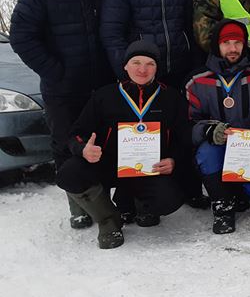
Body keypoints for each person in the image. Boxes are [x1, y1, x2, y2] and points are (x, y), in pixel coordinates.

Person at [9, 0, 112, 229]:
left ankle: (105, 203)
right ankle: (78, 205)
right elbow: (21, 36)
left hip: (101, 83)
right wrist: (54, 71)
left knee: (101, 142)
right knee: (66, 144)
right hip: (62, 88)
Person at [56, 42, 186, 249]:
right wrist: (84, 149)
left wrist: (173, 160)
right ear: (125, 66)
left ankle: (138, 205)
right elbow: (76, 134)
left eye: (150, 64)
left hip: (149, 168)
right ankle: (109, 220)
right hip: (108, 164)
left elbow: (183, 138)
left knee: (169, 199)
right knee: (69, 174)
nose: (142, 69)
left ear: (157, 68)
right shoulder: (105, 95)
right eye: (136, 62)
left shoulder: (171, 97)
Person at [185, 20, 250, 234]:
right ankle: (223, 204)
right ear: (216, 45)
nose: (233, 48)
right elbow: (188, 125)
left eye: (238, 42)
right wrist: (210, 130)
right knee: (206, 153)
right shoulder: (196, 81)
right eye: (226, 43)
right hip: (217, 148)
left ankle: (240, 193)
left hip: (249, 150)